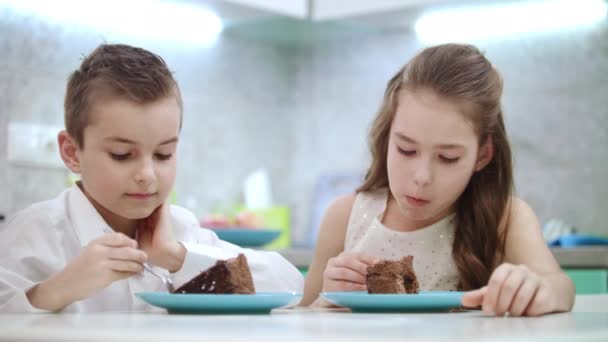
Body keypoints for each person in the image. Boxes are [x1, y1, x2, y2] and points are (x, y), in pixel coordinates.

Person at [0, 43, 303, 313]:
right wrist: (56, 291)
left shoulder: (181, 230)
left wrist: (177, 256)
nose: (146, 175)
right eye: (121, 154)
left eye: (163, 154)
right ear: (72, 152)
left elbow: (291, 287)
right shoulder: (34, 233)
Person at [300, 43, 574, 317]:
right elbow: (300, 320)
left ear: (483, 154)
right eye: (406, 150)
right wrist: (326, 301)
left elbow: (561, 287)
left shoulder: (505, 219)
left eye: (448, 157)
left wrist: (538, 289)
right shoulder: (344, 216)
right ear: (387, 138)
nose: (421, 177)